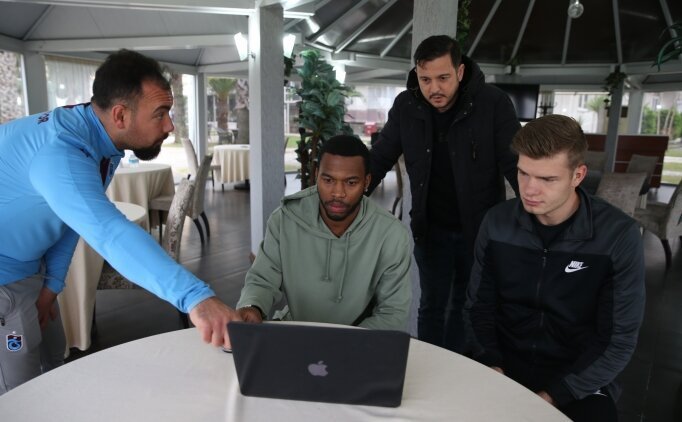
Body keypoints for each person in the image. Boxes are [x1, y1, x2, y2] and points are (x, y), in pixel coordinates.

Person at [0, 49, 240, 394]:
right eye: (160, 114)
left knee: (52, 367)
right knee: (19, 393)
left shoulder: (98, 138)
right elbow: (109, 233)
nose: (170, 126)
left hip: (31, 272)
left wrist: (51, 286)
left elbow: (72, 220)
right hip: (6, 283)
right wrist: (196, 298)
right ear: (120, 115)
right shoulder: (62, 151)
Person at [465, 115, 645, 421]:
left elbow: (618, 340)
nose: (529, 190)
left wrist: (553, 396)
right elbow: (478, 308)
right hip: (503, 365)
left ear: (578, 175)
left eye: (547, 179)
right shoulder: (496, 222)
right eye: (523, 173)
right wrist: (491, 364)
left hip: (577, 378)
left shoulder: (618, 236)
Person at [367, 35, 520, 352]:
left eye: (443, 78)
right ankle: (431, 364)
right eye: (425, 79)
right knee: (432, 305)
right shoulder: (406, 106)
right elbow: (379, 158)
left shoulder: (493, 104)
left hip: (479, 231)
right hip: (430, 229)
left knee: (469, 307)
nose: (434, 88)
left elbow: (515, 164)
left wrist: (537, 218)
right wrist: (346, 196)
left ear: (460, 72)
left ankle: (460, 369)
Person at [236, 135, 412, 330]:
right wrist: (252, 306)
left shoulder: (391, 235)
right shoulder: (284, 220)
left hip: (358, 339)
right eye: (328, 180)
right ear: (317, 175)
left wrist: (343, 342)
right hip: (295, 331)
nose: (338, 193)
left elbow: (392, 311)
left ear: (366, 182)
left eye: (351, 182)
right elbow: (262, 279)